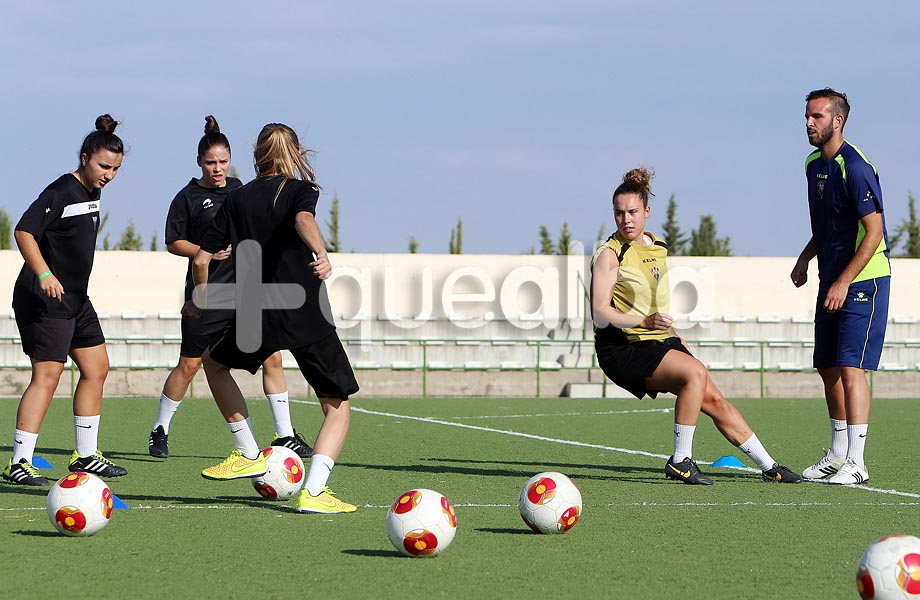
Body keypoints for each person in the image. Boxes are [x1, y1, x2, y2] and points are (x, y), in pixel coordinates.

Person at [184, 122, 359, 513]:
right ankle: (313, 493)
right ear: (296, 152)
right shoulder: (301, 190)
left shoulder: (236, 198)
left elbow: (200, 258)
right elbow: (303, 221)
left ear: (256, 154)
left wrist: (201, 296)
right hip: (304, 310)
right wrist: (321, 254)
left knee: (213, 365)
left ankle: (247, 451)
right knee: (336, 405)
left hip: (255, 311)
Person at [591, 167, 802, 485]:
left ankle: (770, 467)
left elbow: (652, 302)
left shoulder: (657, 246)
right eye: (619, 213)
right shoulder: (609, 255)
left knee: (714, 398)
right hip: (622, 348)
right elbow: (600, 312)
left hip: (656, 338)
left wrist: (674, 337)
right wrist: (644, 322)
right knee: (695, 373)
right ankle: (679, 461)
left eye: (633, 211)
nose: (626, 220)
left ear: (647, 211)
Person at [148, 116, 312, 461]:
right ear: (199, 163)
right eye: (211, 163)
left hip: (245, 291)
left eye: (223, 162)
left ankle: (285, 434)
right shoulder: (188, 197)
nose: (218, 169)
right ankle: (160, 428)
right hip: (206, 292)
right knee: (190, 366)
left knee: (273, 356)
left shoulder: (241, 190)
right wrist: (204, 250)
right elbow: (173, 242)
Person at [2, 115, 129, 486]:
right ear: (85, 157)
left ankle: (86, 456)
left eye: (116, 169)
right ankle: (19, 464)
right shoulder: (60, 191)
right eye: (104, 166)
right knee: (48, 375)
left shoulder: (94, 190)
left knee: (97, 368)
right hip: (43, 297)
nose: (109, 174)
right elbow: (23, 231)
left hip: (76, 300)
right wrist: (44, 274)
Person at [791, 88, 890, 485]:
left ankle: (857, 461)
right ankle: (836, 454)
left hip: (863, 280)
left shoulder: (857, 166)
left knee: (851, 367)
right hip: (831, 279)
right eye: (806, 117)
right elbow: (829, 225)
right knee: (827, 367)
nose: (809, 123)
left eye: (816, 116)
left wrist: (845, 280)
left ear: (838, 120)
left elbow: (874, 230)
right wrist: (805, 257)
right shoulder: (813, 165)